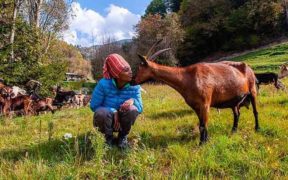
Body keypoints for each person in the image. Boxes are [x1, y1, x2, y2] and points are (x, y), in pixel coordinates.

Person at [90, 54, 143, 148]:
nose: (131, 72)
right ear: (116, 73)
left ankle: (122, 137)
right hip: (105, 120)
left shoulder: (135, 85)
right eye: (126, 70)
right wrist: (113, 111)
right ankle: (107, 139)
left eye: (130, 69)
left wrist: (133, 101)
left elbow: (140, 108)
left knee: (132, 110)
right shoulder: (103, 84)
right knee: (102, 113)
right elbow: (94, 106)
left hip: (123, 120)